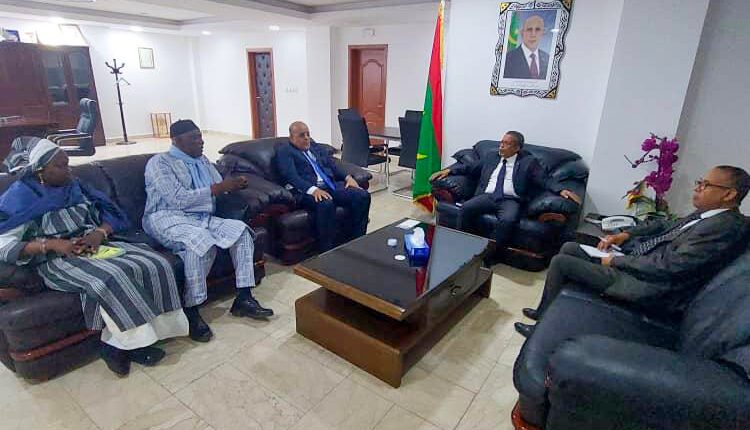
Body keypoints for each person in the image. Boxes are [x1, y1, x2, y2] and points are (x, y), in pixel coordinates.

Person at [0, 139, 187, 376]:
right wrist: (52, 244)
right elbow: (4, 243)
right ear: (41, 171)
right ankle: (125, 346)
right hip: (56, 258)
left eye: (68, 164)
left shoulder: (76, 186)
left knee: (154, 262)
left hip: (95, 244)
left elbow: (111, 213)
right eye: (60, 166)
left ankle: (154, 333)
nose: (68, 170)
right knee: (111, 277)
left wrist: (99, 233)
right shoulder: (20, 196)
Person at [515, 165, 750, 338]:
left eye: (706, 185)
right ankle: (543, 312)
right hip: (643, 266)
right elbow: (664, 225)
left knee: (562, 262)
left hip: (651, 287)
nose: (697, 188)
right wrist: (625, 234)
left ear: (729, 194)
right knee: (570, 247)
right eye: (700, 181)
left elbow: (672, 266)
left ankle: (539, 328)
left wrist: (616, 262)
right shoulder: (706, 215)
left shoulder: (723, 226)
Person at [143, 120, 273, 343]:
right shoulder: (160, 163)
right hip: (167, 217)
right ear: (177, 140)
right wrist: (219, 188)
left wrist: (233, 184)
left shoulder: (202, 160)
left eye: (201, 136)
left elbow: (219, 186)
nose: (201, 141)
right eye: (194, 138)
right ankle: (191, 310)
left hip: (202, 217)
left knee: (241, 232)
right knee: (200, 242)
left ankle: (244, 297)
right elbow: (177, 199)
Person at [430, 131, 581, 248]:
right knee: (466, 208)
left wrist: (561, 190)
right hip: (487, 196)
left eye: (507, 144)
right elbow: (471, 168)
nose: (501, 146)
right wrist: (449, 171)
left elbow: (544, 179)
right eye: (501, 142)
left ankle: (490, 253)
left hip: (510, 199)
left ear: (517, 148)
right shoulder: (491, 156)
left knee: (508, 220)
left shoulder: (528, 162)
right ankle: (463, 244)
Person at [275, 121, 371, 252]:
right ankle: (327, 250)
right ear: (291, 138)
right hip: (306, 190)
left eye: (308, 134)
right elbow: (291, 176)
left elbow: (332, 164)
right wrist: (313, 190)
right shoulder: (285, 151)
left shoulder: (314, 146)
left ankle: (357, 241)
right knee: (326, 203)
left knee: (362, 196)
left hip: (330, 185)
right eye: (302, 135)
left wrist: (348, 177)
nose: (307, 138)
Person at [503, 15, 550, 80]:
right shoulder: (507, 59)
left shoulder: (548, 58)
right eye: (529, 29)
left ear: (542, 33)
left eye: (537, 29)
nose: (533, 34)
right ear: (522, 33)